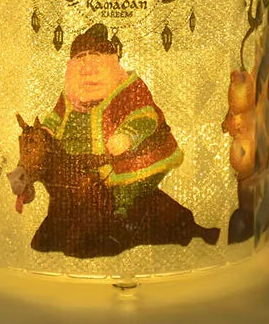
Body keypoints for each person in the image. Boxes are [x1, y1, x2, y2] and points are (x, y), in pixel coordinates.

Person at [41, 24, 183, 216]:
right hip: (78, 163)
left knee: (128, 188)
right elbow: (56, 116)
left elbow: (146, 117)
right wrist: (46, 131)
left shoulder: (129, 87)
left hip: (127, 158)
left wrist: (127, 136)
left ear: (110, 62)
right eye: (81, 58)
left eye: (95, 58)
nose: (88, 67)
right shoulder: (71, 92)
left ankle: (122, 209)